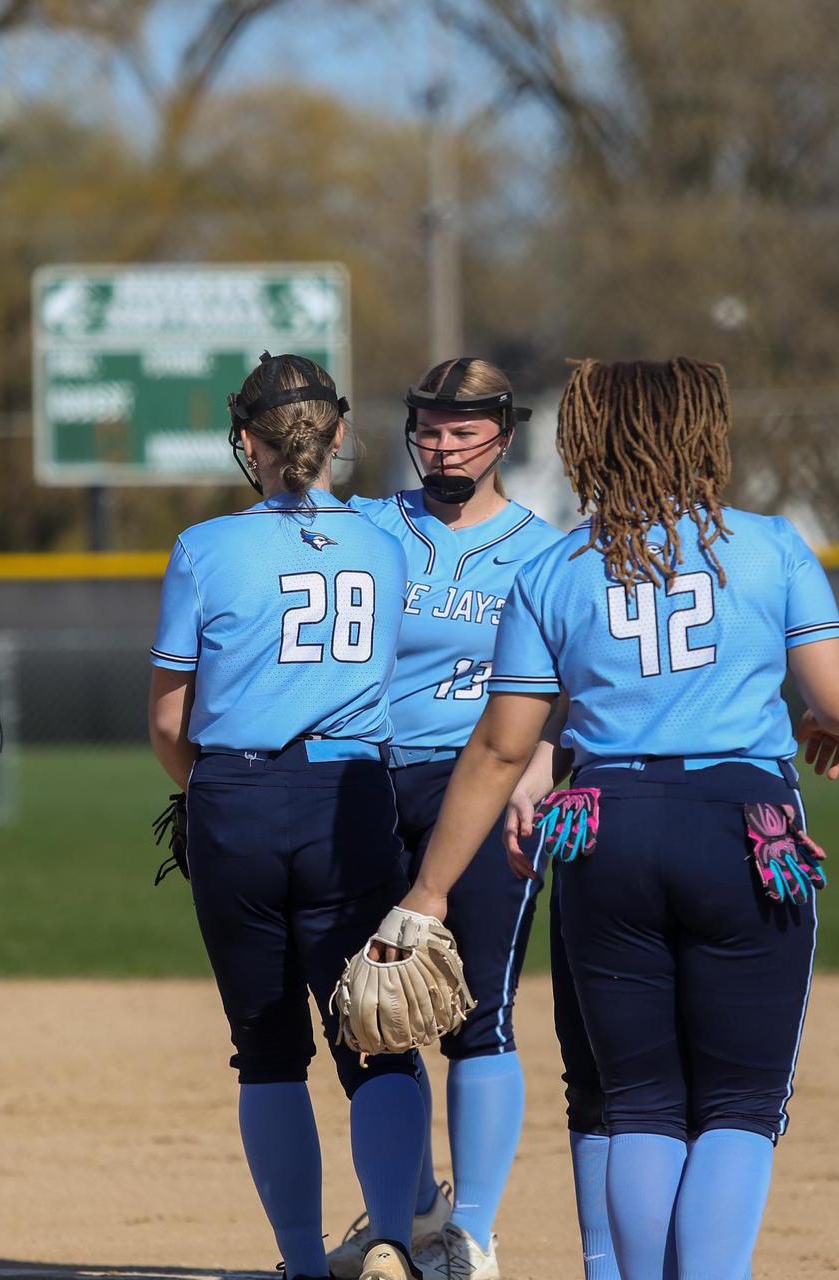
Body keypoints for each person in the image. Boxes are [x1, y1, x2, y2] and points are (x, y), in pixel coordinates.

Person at [390, 357, 839, 1279]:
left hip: (603, 828)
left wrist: (429, 888)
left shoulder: (557, 565)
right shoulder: (768, 545)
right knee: (736, 1105)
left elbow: (500, 750)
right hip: (743, 829)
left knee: (641, 1104)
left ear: (588, 444)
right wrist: (827, 722)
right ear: (705, 434)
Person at [147, 352, 430, 1280]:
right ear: (340, 435)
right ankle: (391, 1236)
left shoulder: (205, 548)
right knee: (377, 1037)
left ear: (247, 443)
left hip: (236, 797)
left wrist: (214, 797)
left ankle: (305, 1263)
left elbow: (166, 721)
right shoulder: (387, 546)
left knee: (266, 1053)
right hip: (349, 800)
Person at [323, 358, 565, 1280]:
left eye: (463, 430)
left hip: (483, 794)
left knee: (480, 1017)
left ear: (505, 436)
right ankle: (406, 1215)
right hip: (369, 783)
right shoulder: (373, 527)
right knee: (376, 1011)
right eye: (428, 428)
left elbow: (571, 687)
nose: (442, 444)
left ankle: (471, 1233)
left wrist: (541, 765)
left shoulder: (543, 551)